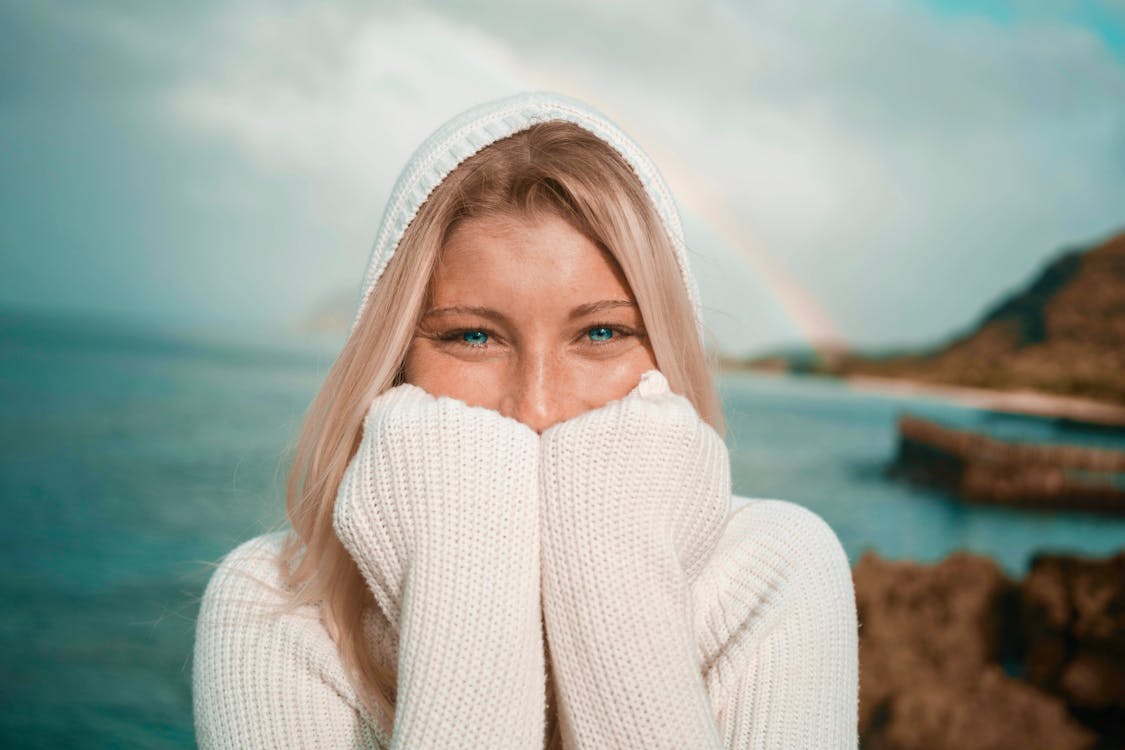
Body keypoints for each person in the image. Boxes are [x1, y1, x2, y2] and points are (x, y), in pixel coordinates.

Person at [192, 91, 859, 749]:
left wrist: (614, 580)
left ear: (666, 353)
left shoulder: (775, 567)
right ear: (394, 361)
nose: (538, 408)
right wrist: (464, 576)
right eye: (474, 338)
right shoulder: (275, 603)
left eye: (600, 332)